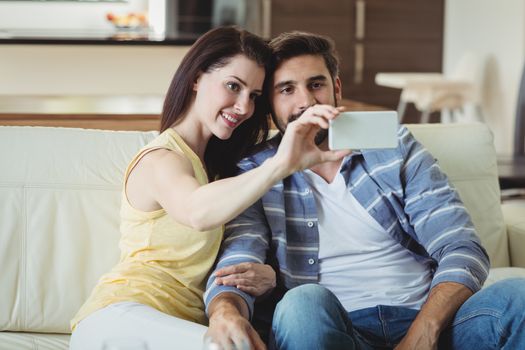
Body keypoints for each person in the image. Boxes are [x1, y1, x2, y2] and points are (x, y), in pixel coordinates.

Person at [204, 31, 525, 350]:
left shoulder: (392, 145)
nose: (307, 101)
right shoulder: (256, 170)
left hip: (430, 322)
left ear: (336, 88)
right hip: (333, 325)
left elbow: (461, 245)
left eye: (316, 84)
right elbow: (239, 259)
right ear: (269, 103)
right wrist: (224, 311)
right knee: (301, 303)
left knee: (518, 296)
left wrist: (423, 332)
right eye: (286, 89)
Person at [69, 27, 349, 350]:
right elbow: (196, 211)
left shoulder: (220, 172)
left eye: (254, 96)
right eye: (233, 86)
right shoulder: (162, 158)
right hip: (119, 319)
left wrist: (270, 277)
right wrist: (279, 165)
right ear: (197, 79)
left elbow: (236, 253)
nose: (244, 107)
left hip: (180, 328)